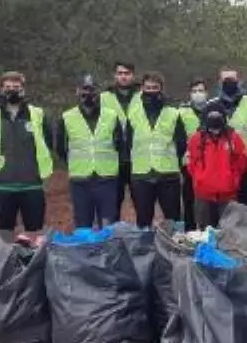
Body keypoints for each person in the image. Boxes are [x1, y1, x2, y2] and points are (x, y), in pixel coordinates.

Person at [0, 71, 55, 235]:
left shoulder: (37, 114)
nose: (12, 90)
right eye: (7, 87)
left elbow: (48, 141)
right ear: (1, 90)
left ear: (23, 89)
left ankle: (33, 261)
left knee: (35, 234)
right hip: (1, 185)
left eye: (16, 87)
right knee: (4, 235)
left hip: (32, 184)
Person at [56, 74, 125, 229]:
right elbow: (61, 147)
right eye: (84, 89)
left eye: (92, 90)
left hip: (106, 179)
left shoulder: (111, 116)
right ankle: (85, 252)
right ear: (77, 91)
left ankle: (108, 252)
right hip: (80, 180)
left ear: (98, 92)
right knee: (83, 224)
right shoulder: (67, 117)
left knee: (108, 225)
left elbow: (121, 145)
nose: (88, 94)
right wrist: (75, 163)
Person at [126, 72, 187, 228]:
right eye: (148, 87)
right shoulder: (133, 114)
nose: (151, 91)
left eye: (155, 87)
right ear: (142, 88)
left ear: (161, 89)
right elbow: (127, 143)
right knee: (143, 220)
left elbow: (181, 143)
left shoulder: (173, 114)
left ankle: (175, 247)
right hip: (141, 174)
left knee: (173, 219)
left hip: (168, 174)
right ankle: (144, 249)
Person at [186, 103, 247, 229]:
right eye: (211, 115)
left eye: (218, 115)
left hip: (228, 195)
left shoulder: (233, 138)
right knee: (205, 233)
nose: (215, 118)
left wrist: (233, 179)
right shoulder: (197, 139)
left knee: (229, 233)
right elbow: (191, 163)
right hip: (203, 195)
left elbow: (241, 162)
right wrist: (200, 179)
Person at [215, 66, 247, 206]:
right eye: (226, 80)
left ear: (239, 81)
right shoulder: (212, 105)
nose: (229, 83)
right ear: (219, 82)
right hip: (222, 165)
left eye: (232, 80)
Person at [102, 61, 138, 221]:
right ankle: (113, 238)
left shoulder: (142, 96)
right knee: (112, 205)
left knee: (142, 203)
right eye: (120, 73)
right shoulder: (103, 98)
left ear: (133, 75)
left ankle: (143, 238)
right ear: (114, 75)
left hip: (138, 158)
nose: (123, 77)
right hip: (113, 157)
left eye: (127, 73)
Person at [178, 78, 209, 231]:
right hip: (189, 162)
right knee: (189, 199)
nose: (198, 94)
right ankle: (189, 231)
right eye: (195, 91)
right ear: (190, 94)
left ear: (207, 93)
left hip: (210, 163)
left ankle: (207, 230)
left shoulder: (214, 110)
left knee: (207, 201)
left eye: (201, 91)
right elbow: (178, 138)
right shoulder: (181, 112)